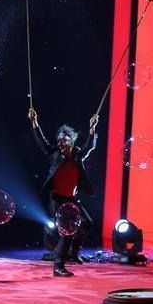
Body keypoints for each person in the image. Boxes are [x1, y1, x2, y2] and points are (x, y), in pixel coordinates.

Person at [28, 108, 99, 277]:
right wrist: (34, 122)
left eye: (64, 141)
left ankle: (74, 252)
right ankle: (58, 267)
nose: (60, 143)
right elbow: (42, 142)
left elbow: (90, 145)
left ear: (72, 142)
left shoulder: (78, 155)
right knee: (67, 232)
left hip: (71, 198)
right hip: (57, 200)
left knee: (87, 223)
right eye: (59, 141)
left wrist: (92, 128)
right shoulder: (55, 155)